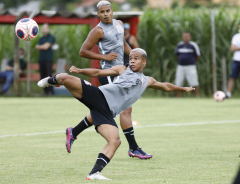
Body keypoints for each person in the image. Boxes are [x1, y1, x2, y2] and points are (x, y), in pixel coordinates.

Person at [37, 48, 195, 180]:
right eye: (131, 58)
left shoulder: (147, 80)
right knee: (65, 77)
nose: (132, 61)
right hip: (98, 96)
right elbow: (99, 72)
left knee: (115, 141)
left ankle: (94, 173)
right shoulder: (122, 69)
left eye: (136, 59)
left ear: (144, 62)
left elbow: (166, 86)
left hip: (106, 112)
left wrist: (183, 89)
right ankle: (47, 81)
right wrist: (80, 70)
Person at [78, 0, 151, 159]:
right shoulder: (98, 31)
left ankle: (73, 131)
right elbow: (83, 51)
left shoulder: (118, 24)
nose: (105, 14)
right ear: (98, 14)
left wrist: (134, 59)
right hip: (109, 73)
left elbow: (123, 43)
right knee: (125, 108)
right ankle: (134, 148)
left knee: (110, 109)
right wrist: (103, 56)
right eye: (102, 12)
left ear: (112, 11)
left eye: (107, 11)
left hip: (122, 72)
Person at [175, 32, 200, 97]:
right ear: (182, 37)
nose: (186, 38)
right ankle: (177, 97)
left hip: (191, 66)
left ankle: (197, 96)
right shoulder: (179, 45)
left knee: (194, 82)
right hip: (180, 66)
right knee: (178, 82)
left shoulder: (193, 45)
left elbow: (197, 56)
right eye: (184, 36)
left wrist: (191, 61)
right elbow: (177, 55)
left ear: (190, 37)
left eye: (187, 36)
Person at [36, 23, 55, 95]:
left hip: (48, 59)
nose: (45, 29)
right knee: (42, 76)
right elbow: (36, 48)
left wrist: (41, 46)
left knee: (48, 75)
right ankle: (45, 92)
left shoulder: (51, 37)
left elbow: (46, 47)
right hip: (41, 59)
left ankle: (51, 91)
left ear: (48, 29)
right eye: (43, 28)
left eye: (46, 28)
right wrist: (42, 46)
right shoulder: (41, 38)